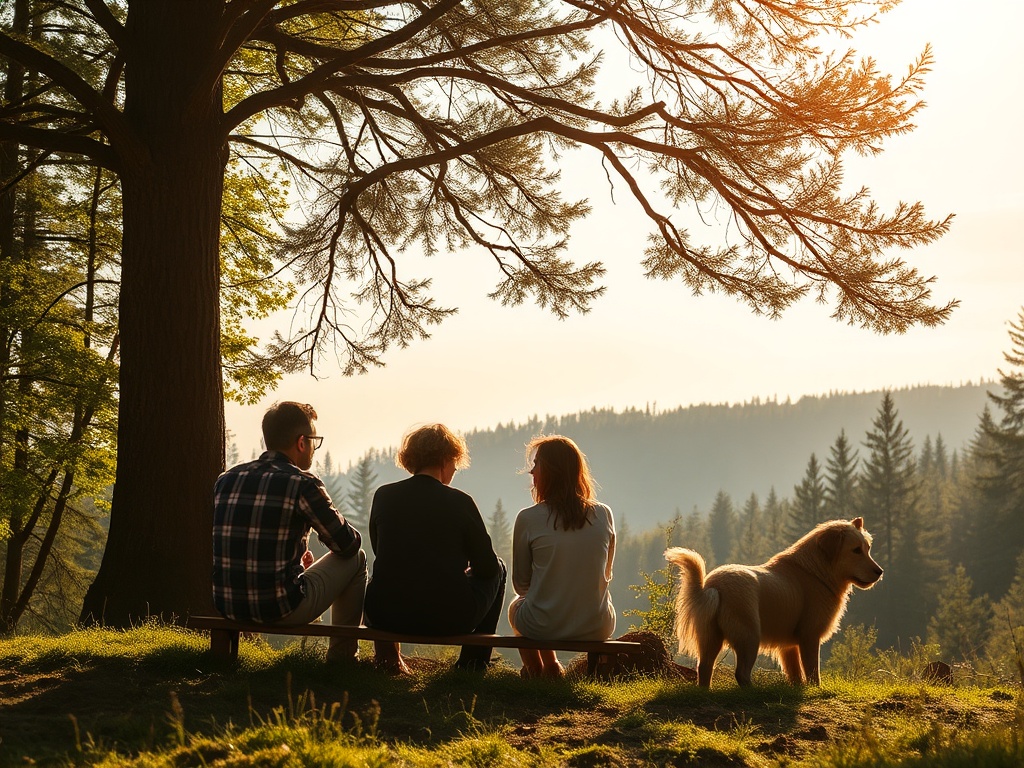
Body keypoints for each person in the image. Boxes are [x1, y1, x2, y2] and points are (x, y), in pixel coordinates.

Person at [212, 401, 367, 661]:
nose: (314, 449)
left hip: (228, 604)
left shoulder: (226, 479)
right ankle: (343, 659)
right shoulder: (302, 483)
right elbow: (347, 545)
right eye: (314, 442)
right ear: (301, 442)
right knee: (358, 557)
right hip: (279, 607)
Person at [363, 423, 505, 673]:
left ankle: (387, 659)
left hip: (385, 614)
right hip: (447, 618)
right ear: (446, 459)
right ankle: (472, 664)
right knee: (499, 568)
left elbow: (381, 550)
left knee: (387, 575)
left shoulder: (384, 495)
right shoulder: (460, 502)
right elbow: (487, 567)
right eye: (455, 463)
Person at [508, 435, 616, 678]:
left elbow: (521, 586)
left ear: (548, 471)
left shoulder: (528, 518)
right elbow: (606, 574)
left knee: (516, 605)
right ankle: (553, 668)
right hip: (598, 626)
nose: (531, 472)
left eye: (536, 464)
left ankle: (537, 669)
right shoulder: (604, 514)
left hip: (541, 627)